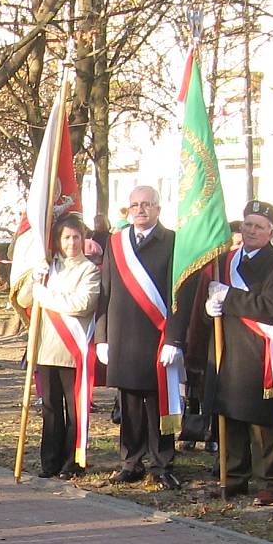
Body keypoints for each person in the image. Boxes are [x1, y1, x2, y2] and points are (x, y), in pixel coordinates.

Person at [190, 200, 273, 503]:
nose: (251, 230)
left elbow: (271, 309)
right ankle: (232, 477)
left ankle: (269, 483)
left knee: (259, 421)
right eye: (247, 224)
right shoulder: (225, 261)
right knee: (229, 414)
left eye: (258, 226)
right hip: (226, 346)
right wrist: (211, 309)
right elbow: (208, 302)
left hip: (256, 350)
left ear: (270, 232)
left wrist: (229, 296)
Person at [95, 185, 185, 489]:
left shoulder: (173, 241)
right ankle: (130, 462)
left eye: (147, 204)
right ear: (128, 210)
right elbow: (104, 292)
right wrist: (102, 336)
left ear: (158, 209)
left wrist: (174, 338)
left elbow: (178, 295)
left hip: (158, 337)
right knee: (129, 403)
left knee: (158, 402)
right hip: (123, 336)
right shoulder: (116, 242)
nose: (140, 210)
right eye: (135, 205)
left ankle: (162, 464)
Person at [30, 214, 100, 479]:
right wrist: (33, 281)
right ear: (58, 240)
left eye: (76, 237)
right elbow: (27, 299)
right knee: (50, 408)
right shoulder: (48, 268)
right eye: (66, 237)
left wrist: (46, 295)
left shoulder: (90, 270)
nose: (71, 242)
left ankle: (73, 462)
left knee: (74, 410)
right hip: (47, 348)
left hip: (73, 351)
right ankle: (49, 461)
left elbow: (82, 304)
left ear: (83, 239)